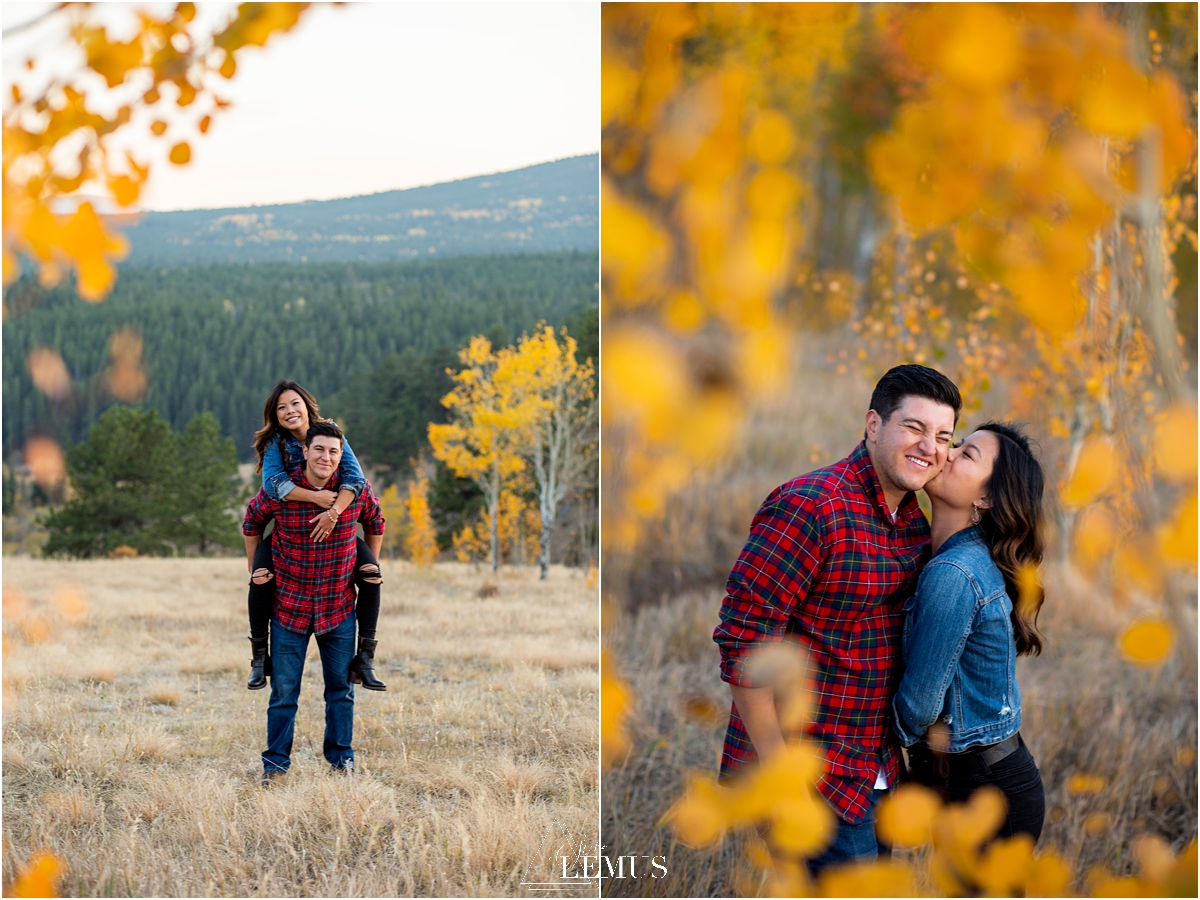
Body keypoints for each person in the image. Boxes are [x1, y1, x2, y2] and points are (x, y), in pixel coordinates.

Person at [713, 363, 961, 877]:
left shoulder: (912, 519)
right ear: (873, 425)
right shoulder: (811, 506)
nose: (929, 446)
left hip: (876, 768)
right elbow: (743, 648)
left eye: (943, 436)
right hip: (813, 773)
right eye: (914, 427)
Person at [893, 421, 1047, 842]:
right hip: (982, 777)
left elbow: (920, 706)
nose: (947, 453)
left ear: (986, 497)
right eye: (957, 445)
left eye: (967, 455)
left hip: (985, 790)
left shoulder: (955, 571)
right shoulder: (958, 556)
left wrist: (861, 734)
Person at [243, 420, 386, 780]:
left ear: (342, 456)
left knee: (340, 692)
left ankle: (342, 760)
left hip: (337, 610)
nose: (326, 457)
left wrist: (365, 561)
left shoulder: (355, 492)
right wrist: (254, 568)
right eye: (319, 449)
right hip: (289, 609)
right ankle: (275, 765)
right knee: (283, 694)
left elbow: (377, 522)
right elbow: (251, 521)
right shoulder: (282, 491)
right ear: (304, 451)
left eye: (334, 451)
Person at [246, 380, 386, 693]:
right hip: (292, 529)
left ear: (307, 405)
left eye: (294, 403)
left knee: (371, 574)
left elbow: (356, 478)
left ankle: (365, 657)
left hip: (338, 527)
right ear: (275, 416)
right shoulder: (276, 443)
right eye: (281, 408)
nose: (289, 411)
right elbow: (274, 485)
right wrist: (318, 499)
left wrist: (335, 510)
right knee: (259, 576)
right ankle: (258, 658)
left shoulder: (331, 432)